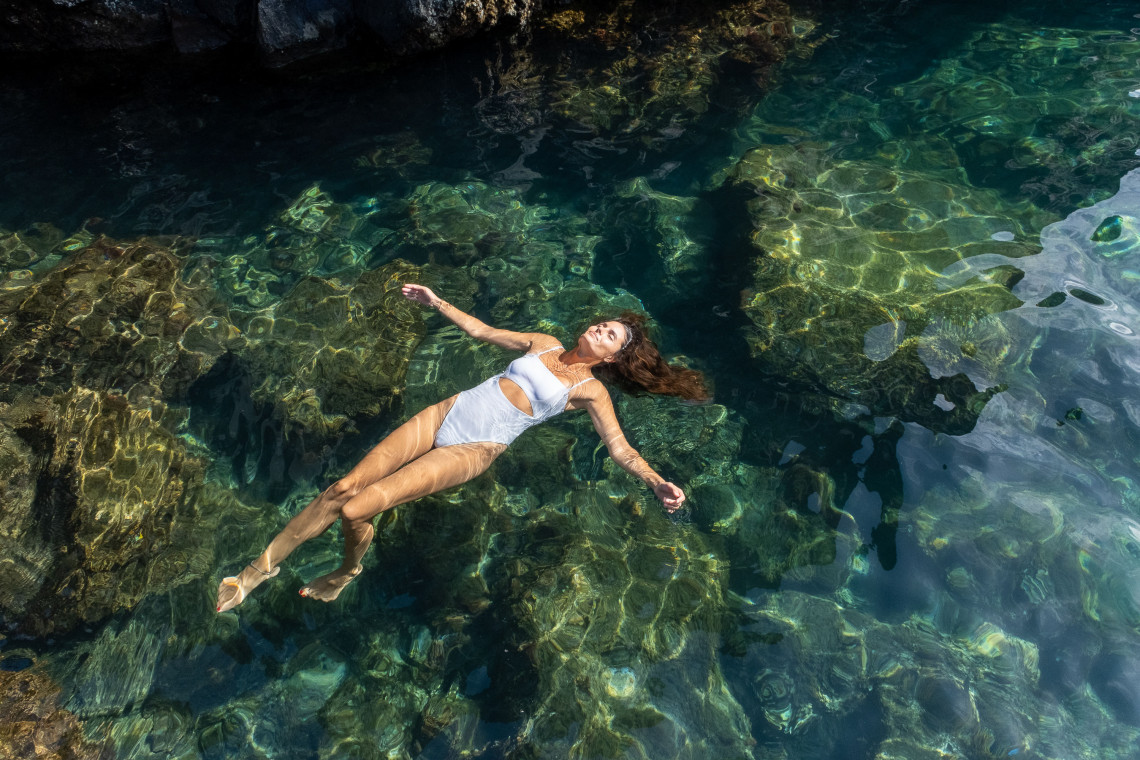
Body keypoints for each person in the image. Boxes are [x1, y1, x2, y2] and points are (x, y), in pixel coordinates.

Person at [216, 283, 708, 612]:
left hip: (473, 448)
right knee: (340, 488)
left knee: (356, 511)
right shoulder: (542, 341)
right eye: (605, 324)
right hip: (445, 413)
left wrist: (655, 480)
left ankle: (346, 571)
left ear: (615, 356)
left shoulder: (590, 392)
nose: (601, 328)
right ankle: (256, 571)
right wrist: (436, 302)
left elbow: (619, 448)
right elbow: (481, 330)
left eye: (611, 335)